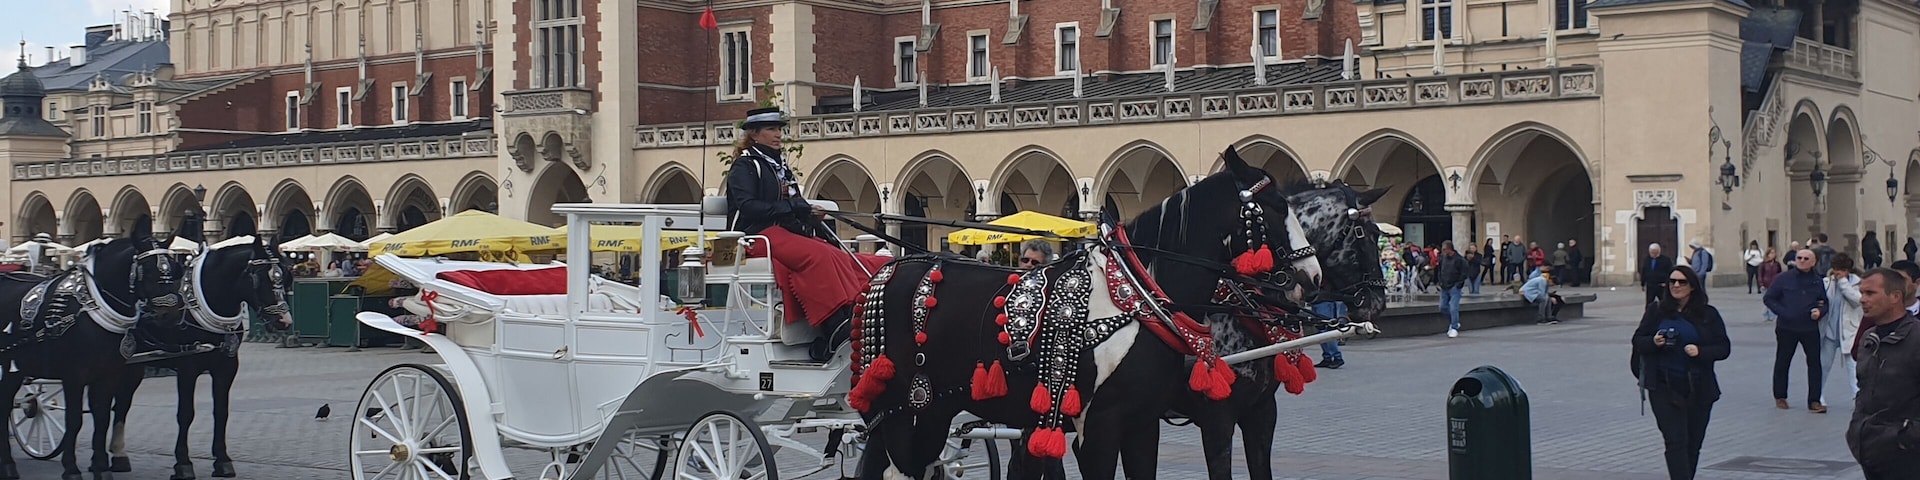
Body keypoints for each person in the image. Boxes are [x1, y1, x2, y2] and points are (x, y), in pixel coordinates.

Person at [724, 107, 889, 361]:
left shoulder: (779, 165)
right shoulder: (745, 166)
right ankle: (833, 324)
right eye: (771, 129)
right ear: (754, 134)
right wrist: (793, 207)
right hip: (754, 237)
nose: (779, 134)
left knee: (838, 253)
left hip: (782, 232)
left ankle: (856, 309)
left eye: (780, 129)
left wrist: (808, 212)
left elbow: (793, 201)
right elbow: (748, 207)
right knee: (818, 255)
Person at [1631, 265, 1731, 480]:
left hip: (1699, 387)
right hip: (1664, 386)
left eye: (1682, 282)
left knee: (1693, 444)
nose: (1676, 285)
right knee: (1675, 441)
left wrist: (1700, 352)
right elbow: (1638, 340)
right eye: (1672, 281)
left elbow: (1723, 348)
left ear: (1693, 287)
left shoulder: (1708, 314)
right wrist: (1654, 342)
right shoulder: (1656, 311)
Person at [1845, 268, 1920, 478]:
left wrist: (1906, 437)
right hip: (1872, 451)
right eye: (1861, 293)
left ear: (1895, 297)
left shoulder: (1915, 339)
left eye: (1870, 294)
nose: (1862, 300)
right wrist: (1857, 429)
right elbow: (1863, 389)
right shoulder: (1869, 338)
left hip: (1908, 456)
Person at [1764, 247, 1829, 412]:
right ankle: (1780, 396)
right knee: (1783, 361)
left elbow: (1824, 301)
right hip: (1787, 327)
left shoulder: (1817, 280)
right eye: (1799, 258)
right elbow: (1769, 298)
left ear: (1813, 262)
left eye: (1806, 259)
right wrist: (1783, 312)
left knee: (1814, 363)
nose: (1801, 261)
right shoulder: (1783, 278)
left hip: (1809, 327)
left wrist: (1820, 311)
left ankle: (1814, 401)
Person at [1820, 253, 1863, 402]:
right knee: (1824, 365)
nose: (1839, 273)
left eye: (1843, 270)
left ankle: (1856, 395)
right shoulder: (1826, 282)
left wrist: (1844, 283)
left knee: (1853, 365)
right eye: (1837, 269)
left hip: (1850, 330)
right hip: (1829, 331)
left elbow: (1857, 301)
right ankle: (1818, 395)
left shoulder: (1858, 284)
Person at [1437, 241, 1470, 338]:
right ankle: (1453, 321)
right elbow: (1439, 270)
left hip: (1454, 287)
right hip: (1444, 286)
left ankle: (1454, 327)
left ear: (1449, 249)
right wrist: (1440, 281)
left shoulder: (1459, 259)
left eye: (1444, 249)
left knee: (1453, 307)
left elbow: (1464, 272)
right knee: (1442, 307)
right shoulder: (1443, 258)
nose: (1443, 251)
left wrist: (1458, 284)